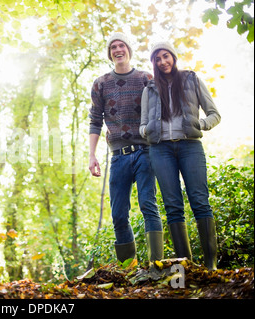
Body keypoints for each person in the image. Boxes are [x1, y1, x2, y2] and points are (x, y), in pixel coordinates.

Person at [140, 41, 221, 270]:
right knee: (173, 206)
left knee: (200, 201)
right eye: (157, 59)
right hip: (160, 149)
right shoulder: (150, 88)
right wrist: (145, 131)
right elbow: (142, 124)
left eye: (166, 56)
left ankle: (211, 265)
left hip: (190, 147)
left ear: (173, 57)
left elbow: (214, 114)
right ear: (154, 63)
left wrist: (201, 124)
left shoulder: (191, 80)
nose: (163, 62)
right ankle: (186, 267)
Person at [89, 32, 163, 264]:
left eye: (122, 46)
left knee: (147, 205)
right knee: (119, 214)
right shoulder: (100, 83)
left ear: (129, 50)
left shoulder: (145, 78)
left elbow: (159, 112)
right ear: (110, 54)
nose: (118, 50)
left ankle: (156, 265)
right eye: (113, 47)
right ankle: (128, 269)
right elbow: (94, 120)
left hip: (145, 152)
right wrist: (92, 155)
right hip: (118, 156)